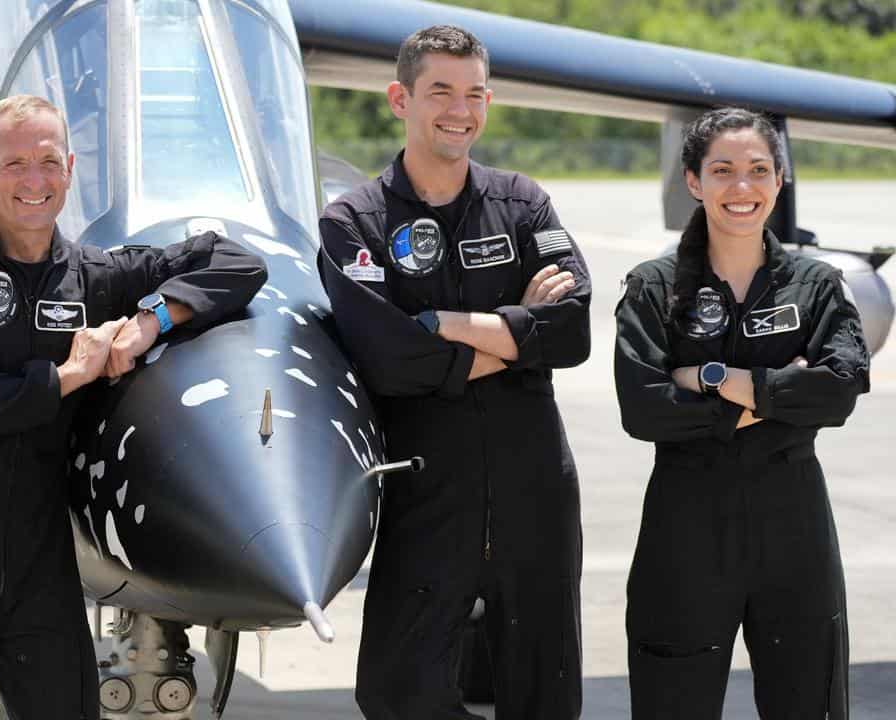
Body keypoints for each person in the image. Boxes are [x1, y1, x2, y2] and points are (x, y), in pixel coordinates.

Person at [0, 94, 267, 719]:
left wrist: (148, 320)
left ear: (70, 167)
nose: (35, 181)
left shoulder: (95, 276)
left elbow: (236, 261)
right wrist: (67, 375)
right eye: (15, 163)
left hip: (40, 565)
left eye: (49, 162)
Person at [317, 25, 590, 720]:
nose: (459, 110)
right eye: (440, 90)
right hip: (426, 489)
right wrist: (515, 334)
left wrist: (444, 325)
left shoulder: (522, 202)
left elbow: (575, 328)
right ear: (398, 99)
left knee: (543, 685)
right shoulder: (355, 221)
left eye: (474, 94)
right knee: (397, 689)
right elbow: (388, 359)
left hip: (534, 487)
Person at [614, 107, 868, 719]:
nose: (742, 188)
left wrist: (715, 380)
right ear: (693, 181)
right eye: (722, 170)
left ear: (780, 179)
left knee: (808, 698)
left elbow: (841, 389)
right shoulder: (654, 287)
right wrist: (779, 397)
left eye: (758, 170)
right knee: (673, 701)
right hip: (686, 528)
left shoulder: (816, 284)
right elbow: (645, 409)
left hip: (794, 525)